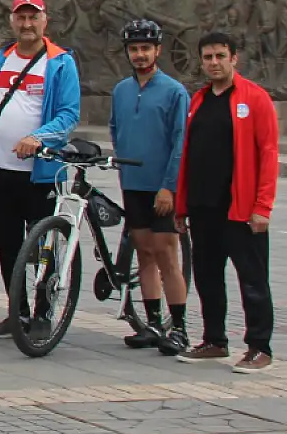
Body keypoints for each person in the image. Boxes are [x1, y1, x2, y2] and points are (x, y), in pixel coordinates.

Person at [0, 0, 80, 340]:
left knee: (45, 246)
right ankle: (19, 313)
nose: (27, 24)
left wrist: (40, 138)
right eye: (21, 17)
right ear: (12, 21)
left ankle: (43, 313)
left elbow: (68, 115)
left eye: (33, 17)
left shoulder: (60, 63)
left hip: (40, 173)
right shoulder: (1, 59)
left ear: (45, 21)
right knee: (7, 243)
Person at [174, 33, 276, 374]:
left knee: (252, 278)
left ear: (235, 59)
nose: (214, 62)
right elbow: (188, 155)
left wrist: (263, 206)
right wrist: (181, 206)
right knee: (207, 276)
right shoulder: (199, 100)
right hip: (204, 207)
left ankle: (260, 347)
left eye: (220, 56)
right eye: (208, 57)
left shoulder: (255, 99)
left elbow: (268, 154)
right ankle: (215, 340)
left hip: (241, 209)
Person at [108, 19, 191, 354]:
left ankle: (180, 328)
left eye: (145, 48)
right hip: (133, 184)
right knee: (143, 252)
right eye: (134, 49)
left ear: (158, 50)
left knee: (166, 254)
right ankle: (153, 322)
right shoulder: (120, 90)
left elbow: (180, 142)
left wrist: (169, 186)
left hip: (162, 186)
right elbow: (116, 129)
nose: (139, 55)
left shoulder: (174, 91)